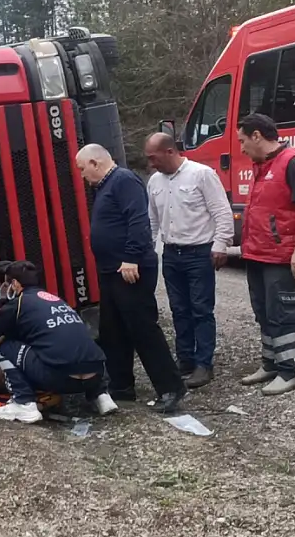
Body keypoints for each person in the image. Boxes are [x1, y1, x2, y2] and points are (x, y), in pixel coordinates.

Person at [76, 143, 186, 412]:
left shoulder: (123, 180)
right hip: (111, 270)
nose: (81, 175)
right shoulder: (103, 187)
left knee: (142, 328)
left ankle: (170, 387)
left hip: (129, 268)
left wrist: (131, 257)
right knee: (113, 331)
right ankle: (121, 386)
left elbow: (138, 220)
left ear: (95, 163)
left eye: (82, 169)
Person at [0, 261, 119, 424]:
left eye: (6, 283)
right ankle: (101, 396)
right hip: (96, 374)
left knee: (6, 344)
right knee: (73, 341)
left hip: (61, 379)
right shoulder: (54, 300)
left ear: (15, 284)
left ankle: (24, 403)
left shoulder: (18, 304)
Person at [145, 133, 234, 389]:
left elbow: (221, 211)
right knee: (179, 309)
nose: (152, 164)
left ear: (170, 151)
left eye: (154, 157)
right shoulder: (154, 182)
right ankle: (185, 360)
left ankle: (203, 364)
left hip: (199, 252)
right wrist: (149, 250)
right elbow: (152, 219)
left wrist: (221, 245)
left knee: (201, 309)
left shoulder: (201, 174)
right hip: (172, 253)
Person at [237, 113, 295, 395]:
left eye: (243, 140)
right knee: (264, 310)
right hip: (257, 253)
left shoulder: (293, 162)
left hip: (280, 256)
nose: (241, 148)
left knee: (283, 311)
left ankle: (289, 371)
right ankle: (271, 363)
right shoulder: (261, 165)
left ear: (257, 136)